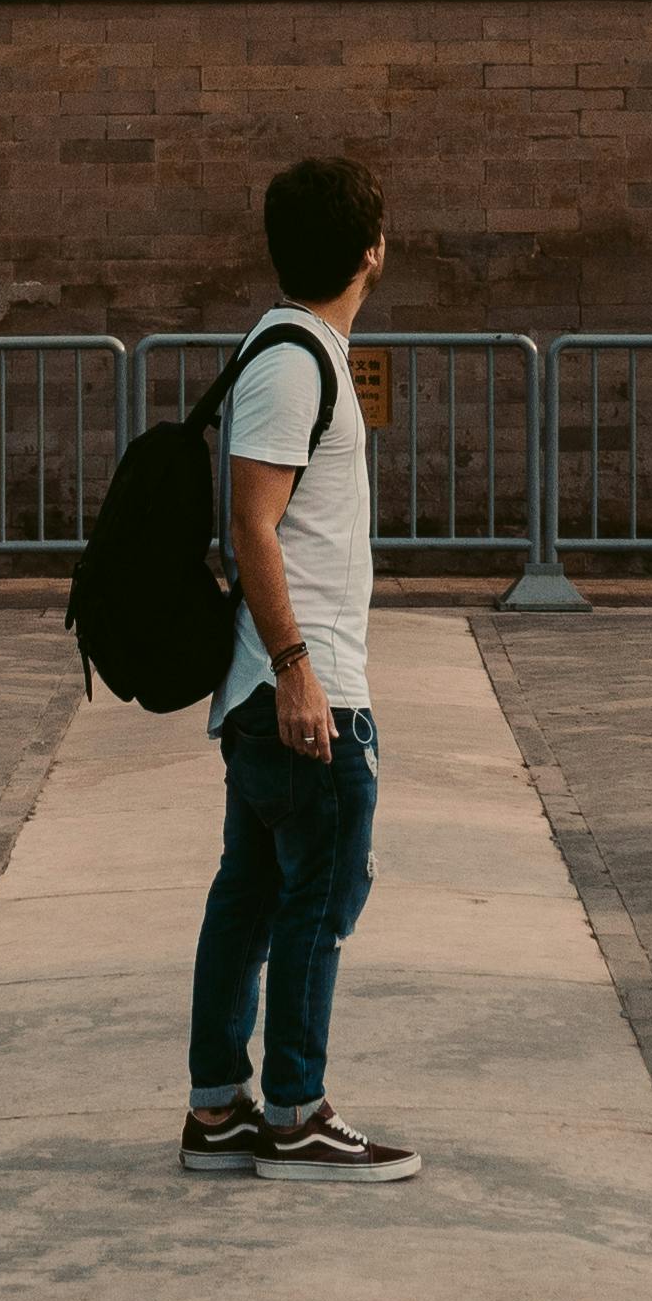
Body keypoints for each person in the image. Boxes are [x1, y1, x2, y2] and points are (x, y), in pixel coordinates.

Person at [181, 153, 419, 1181]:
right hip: (298, 689)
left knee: (253, 893)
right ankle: (295, 1110)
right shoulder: (295, 360)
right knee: (318, 895)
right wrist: (297, 671)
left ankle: (221, 1109)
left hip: (277, 684)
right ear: (371, 250)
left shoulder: (294, 347)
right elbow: (254, 526)